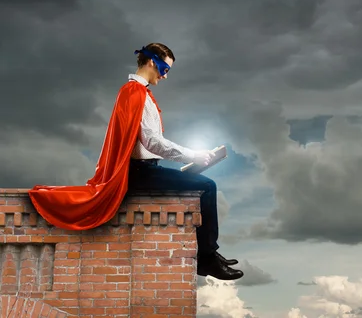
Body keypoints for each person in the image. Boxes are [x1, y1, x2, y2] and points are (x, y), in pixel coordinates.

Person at [29, 43, 243, 281]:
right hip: (139, 173)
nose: (165, 74)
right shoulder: (134, 93)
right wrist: (193, 154)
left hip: (147, 169)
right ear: (151, 62)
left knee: (202, 182)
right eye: (164, 68)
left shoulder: (139, 93)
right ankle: (207, 258)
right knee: (208, 186)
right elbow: (153, 142)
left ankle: (211, 253)